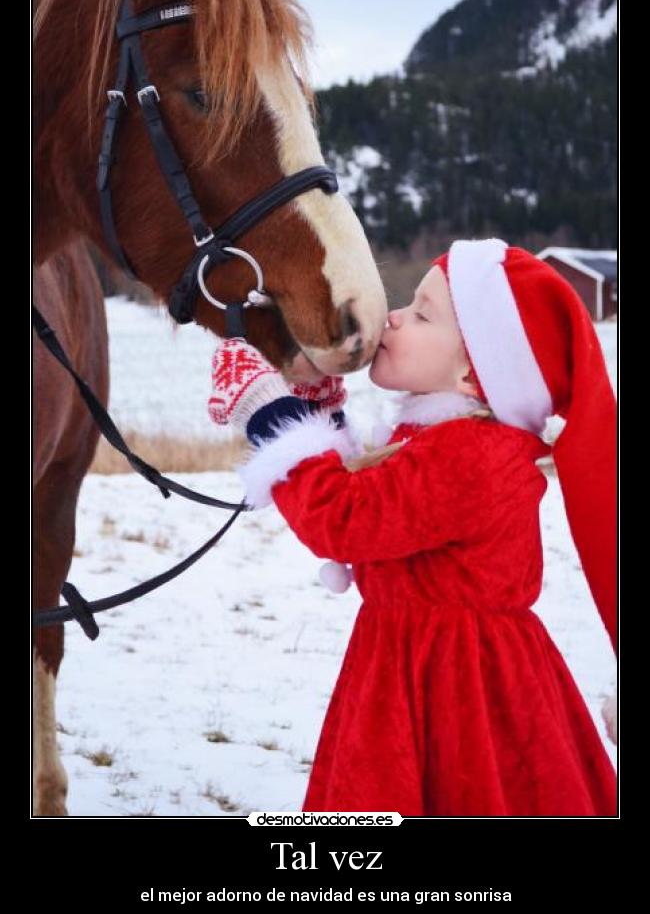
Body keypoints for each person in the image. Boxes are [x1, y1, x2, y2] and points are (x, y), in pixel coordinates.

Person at [207, 238, 617, 816]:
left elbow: (346, 519)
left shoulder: (472, 454)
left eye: (422, 314)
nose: (393, 318)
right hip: (419, 668)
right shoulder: (442, 442)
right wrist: (316, 414)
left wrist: (272, 413)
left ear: (476, 374)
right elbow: (381, 499)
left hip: (458, 696)